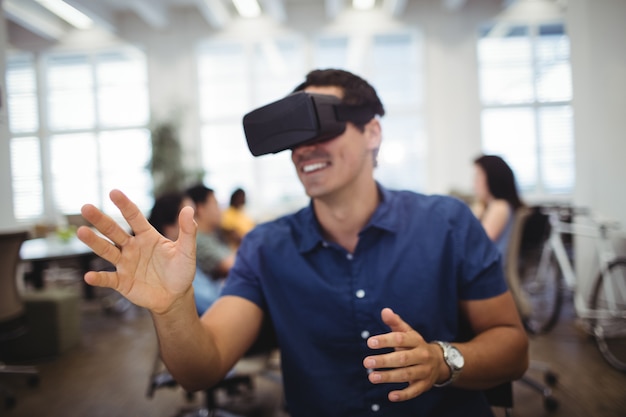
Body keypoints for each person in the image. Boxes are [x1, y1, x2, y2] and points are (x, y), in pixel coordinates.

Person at [77, 69, 528, 417]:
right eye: (295, 135)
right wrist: (172, 306)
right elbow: (202, 369)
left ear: (372, 132)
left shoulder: (446, 223)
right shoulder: (266, 247)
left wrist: (442, 359)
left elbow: (513, 348)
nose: (305, 148)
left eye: (322, 127)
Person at [147, 191, 221, 315]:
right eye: (192, 218)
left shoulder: (179, 254)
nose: (197, 223)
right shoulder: (172, 263)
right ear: (169, 225)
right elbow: (211, 303)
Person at [471, 155, 524, 258]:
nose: (474, 183)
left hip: (490, 269)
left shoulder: (499, 206)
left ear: (492, 178)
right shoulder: (495, 205)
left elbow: (479, 245)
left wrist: (475, 216)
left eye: (478, 176)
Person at [185, 184, 236, 280]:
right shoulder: (197, 241)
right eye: (216, 204)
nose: (220, 210)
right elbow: (232, 265)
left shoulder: (212, 235)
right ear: (200, 208)